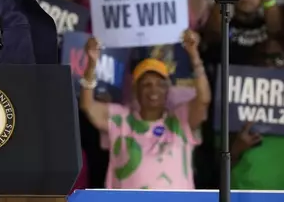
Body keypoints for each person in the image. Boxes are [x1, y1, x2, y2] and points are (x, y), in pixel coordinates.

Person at [80, 30, 211, 189]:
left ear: (167, 90)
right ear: (136, 91)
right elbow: (88, 106)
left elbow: (203, 99)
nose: (153, 90)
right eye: (146, 85)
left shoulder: (180, 120)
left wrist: (194, 56)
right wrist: (92, 64)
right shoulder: (121, 119)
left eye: (160, 84)